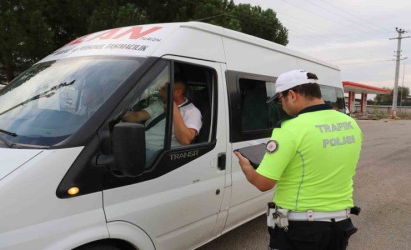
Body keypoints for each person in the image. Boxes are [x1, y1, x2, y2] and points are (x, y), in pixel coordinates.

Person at [234, 70, 363, 250]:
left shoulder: (289, 130)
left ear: (292, 95)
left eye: (280, 100)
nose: (281, 106)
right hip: (340, 226)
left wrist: (246, 166)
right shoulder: (350, 124)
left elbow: (264, 183)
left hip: (300, 231)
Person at [122, 76, 202, 154]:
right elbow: (137, 117)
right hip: (140, 144)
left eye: (164, 89)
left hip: (157, 153)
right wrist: (118, 112)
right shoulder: (160, 103)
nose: (159, 93)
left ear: (178, 92)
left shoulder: (192, 112)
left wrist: (174, 110)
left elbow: (185, 140)